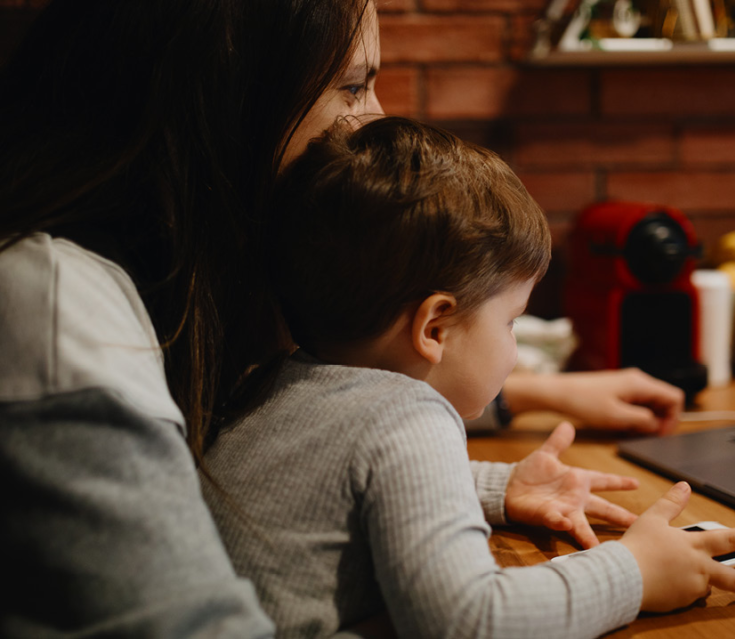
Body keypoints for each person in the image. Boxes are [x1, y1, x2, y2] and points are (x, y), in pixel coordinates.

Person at [0, 0, 680, 635]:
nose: (376, 120)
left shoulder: (231, 337)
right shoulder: (60, 308)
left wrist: (501, 472)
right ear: (230, 95)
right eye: (352, 88)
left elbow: (323, 458)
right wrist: (631, 572)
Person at [203, 117, 735, 638]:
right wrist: (634, 572)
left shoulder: (273, 380)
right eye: (512, 321)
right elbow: (470, 622)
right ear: (436, 327)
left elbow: (354, 480)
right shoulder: (408, 415)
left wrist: (501, 488)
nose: (515, 350)